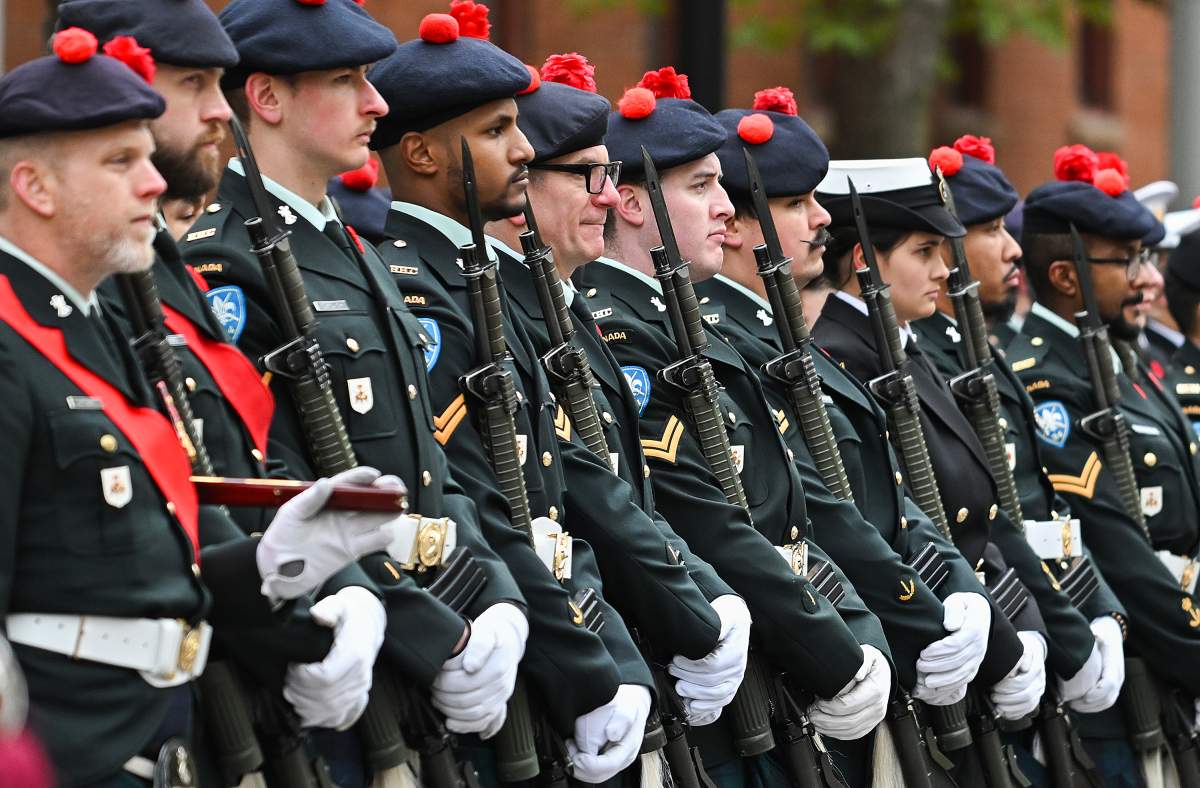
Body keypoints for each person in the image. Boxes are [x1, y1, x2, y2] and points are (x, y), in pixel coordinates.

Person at [0, 30, 396, 787]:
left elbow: (148, 566)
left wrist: (278, 564)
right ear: (35, 188)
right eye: (120, 163)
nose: (153, 184)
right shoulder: (13, 344)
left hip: (154, 739)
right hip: (65, 750)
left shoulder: (88, 326)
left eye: (147, 158)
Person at [366, 13, 755, 780]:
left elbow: (583, 488)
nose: (608, 199)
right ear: (418, 152)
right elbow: (487, 499)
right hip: (486, 650)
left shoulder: (496, 293)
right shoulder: (424, 286)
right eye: (586, 174)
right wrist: (594, 660)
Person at [695, 89, 1033, 785]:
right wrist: (873, 638)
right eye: (796, 205)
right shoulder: (743, 347)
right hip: (803, 670)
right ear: (734, 222)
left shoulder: (789, 346)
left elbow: (895, 506)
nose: (822, 219)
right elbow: (805, 519)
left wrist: (975, 609)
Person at [576, 67, 890, 787]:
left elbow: (796, 513)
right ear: (629, 203)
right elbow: (703, 518)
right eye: (701, 187)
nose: (726, 208)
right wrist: (833, 650)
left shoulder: (687, 328)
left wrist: (866, 627)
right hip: (704, 675)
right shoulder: (624, 333)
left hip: (772, 664)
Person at [482, 51, 753, 740]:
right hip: (564, 660)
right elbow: (588, 506)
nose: (605, 194)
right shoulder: (561, 320)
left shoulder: (570, 316)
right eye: (589, 177)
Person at [812, 157, 1049, 785]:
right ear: (866, 261)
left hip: (966, 644)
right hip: (921, 655)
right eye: (925, 251)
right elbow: (892, 525)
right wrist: (999, 643)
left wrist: (1022, 631)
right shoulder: (849, 360)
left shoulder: (902, 349)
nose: (946, 269)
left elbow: (977, 519)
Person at [913, 136, 1130, 780]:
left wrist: (1100, 612)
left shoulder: (976, 350)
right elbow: (984, 524)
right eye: (988, 231)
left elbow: (1042, 508)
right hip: (992, 642)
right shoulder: (933, 361)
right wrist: (1055, 636)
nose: (1012, 250)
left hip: (1036, 625)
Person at [1007, 144, 1200, 786]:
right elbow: (1112, 542)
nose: (1148, 279)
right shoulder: (1046, 380)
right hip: (1129, 665)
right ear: (1067, 277)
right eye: (1129, 262)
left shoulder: (1125, 362)